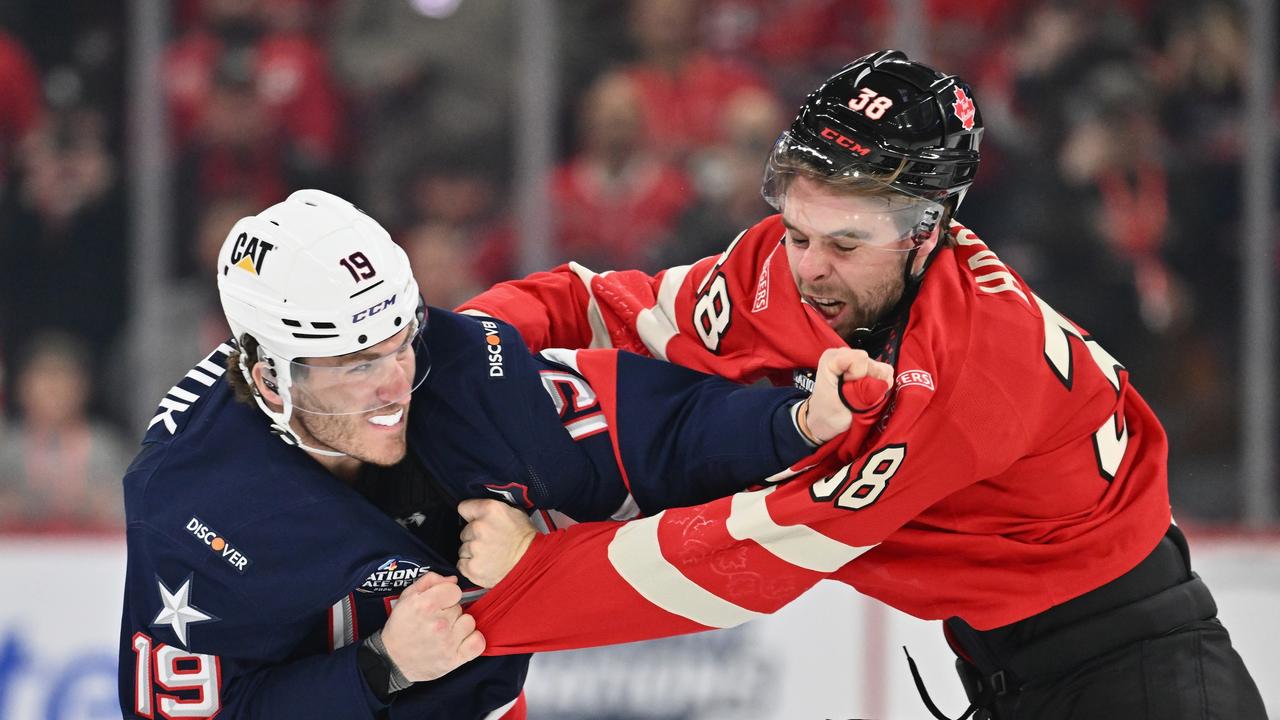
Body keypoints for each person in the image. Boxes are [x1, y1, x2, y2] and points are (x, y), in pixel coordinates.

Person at [454, 50, 1266, 719]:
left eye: (844, 242)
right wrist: (442, 353)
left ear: (929, 229)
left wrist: (526, 577)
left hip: (1142, 678)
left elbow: (751, 554)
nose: (807, 267)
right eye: (798, 230)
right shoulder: (788, 260)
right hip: (1009, 666)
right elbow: (608, 308)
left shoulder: (966, 368)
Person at [117, 189, 876, 719]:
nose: (394, 386)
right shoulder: (189, 502)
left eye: (398, 346)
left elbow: (653, 434)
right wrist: (381, 666)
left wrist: (800, 417)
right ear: (268, 378)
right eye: (356, 365)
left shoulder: (462, 370)